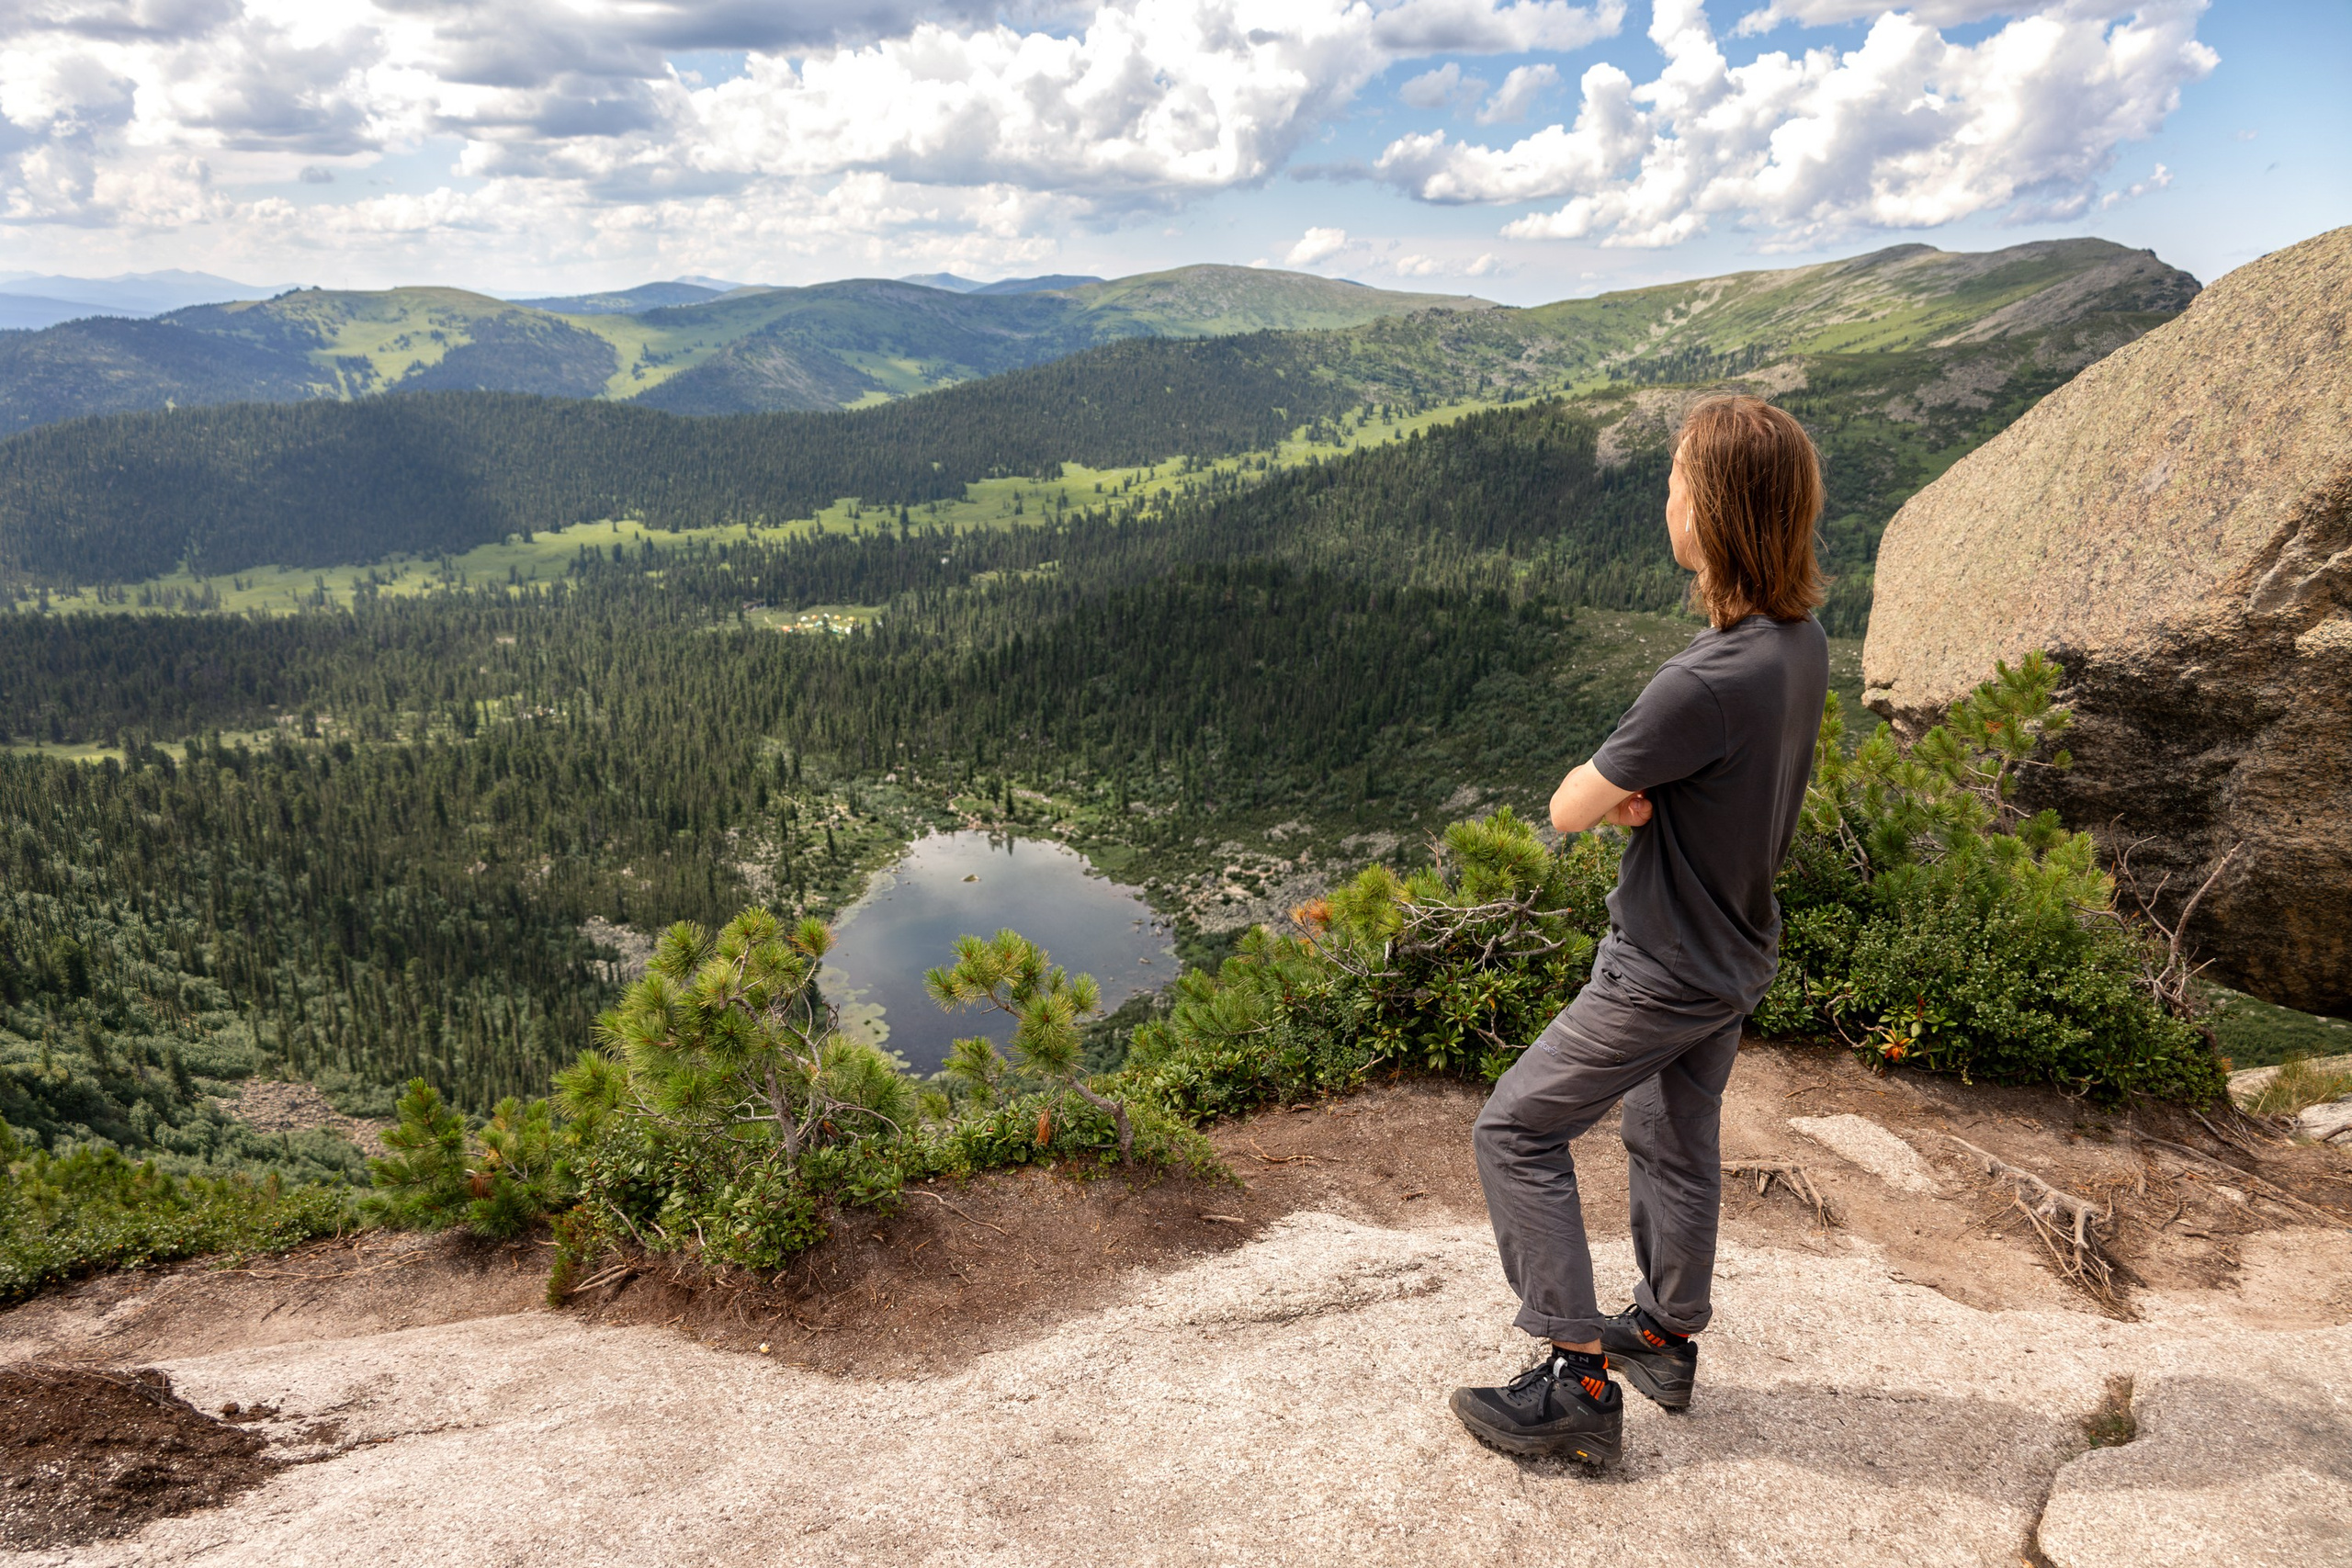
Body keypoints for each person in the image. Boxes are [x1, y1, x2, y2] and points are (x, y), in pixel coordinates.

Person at [1448, 395, 1831, 1465]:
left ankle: (1575, 1381)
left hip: (1662, 964)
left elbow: (1570, 805)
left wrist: (1615, 792)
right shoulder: (1797, 647)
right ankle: (1662, 1338)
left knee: (1515, 1130)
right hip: (1734, 952)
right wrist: (1642, 791)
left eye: (1674, 480)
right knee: (1670, 1135)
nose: (1663, 497)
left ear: (1712, 510)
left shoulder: (1700, 681)